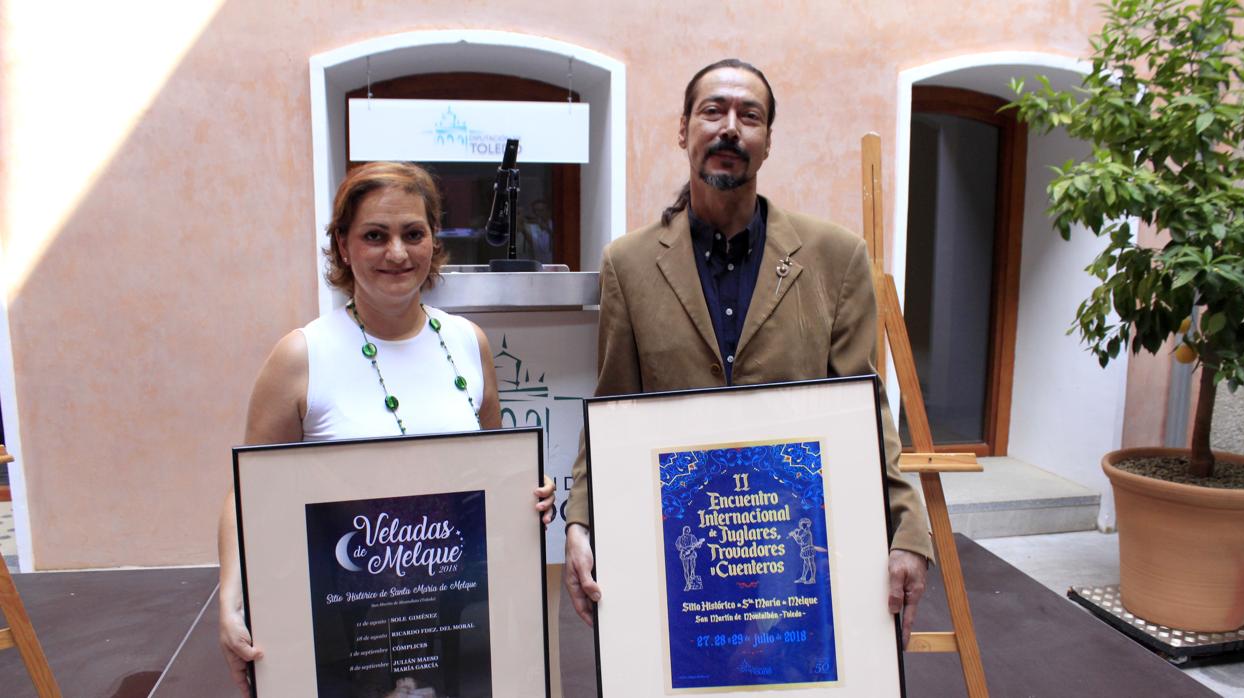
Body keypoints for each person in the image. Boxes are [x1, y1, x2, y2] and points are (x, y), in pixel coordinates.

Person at [562, 59, 933, 646]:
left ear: (767, 142)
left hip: (794, 540)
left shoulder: (836, 258)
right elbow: (612, 404)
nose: (729, 127)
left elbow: (865, 407)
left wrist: (908, 528)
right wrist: (580, 518)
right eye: (713, 111)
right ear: (683, 130)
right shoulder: (628, 265)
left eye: (748, 115)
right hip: (677, 542)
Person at [216, 162, 556, 695]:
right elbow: (246, 495)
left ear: (433, 244)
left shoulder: (469, 344)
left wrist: (529, 496)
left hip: (455, 611)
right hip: (343, 623)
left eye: (413, 234)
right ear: (344, 247)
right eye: (375, 236)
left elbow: (497, 473)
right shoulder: (301, 356)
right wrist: (232, 598)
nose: (397, 253)